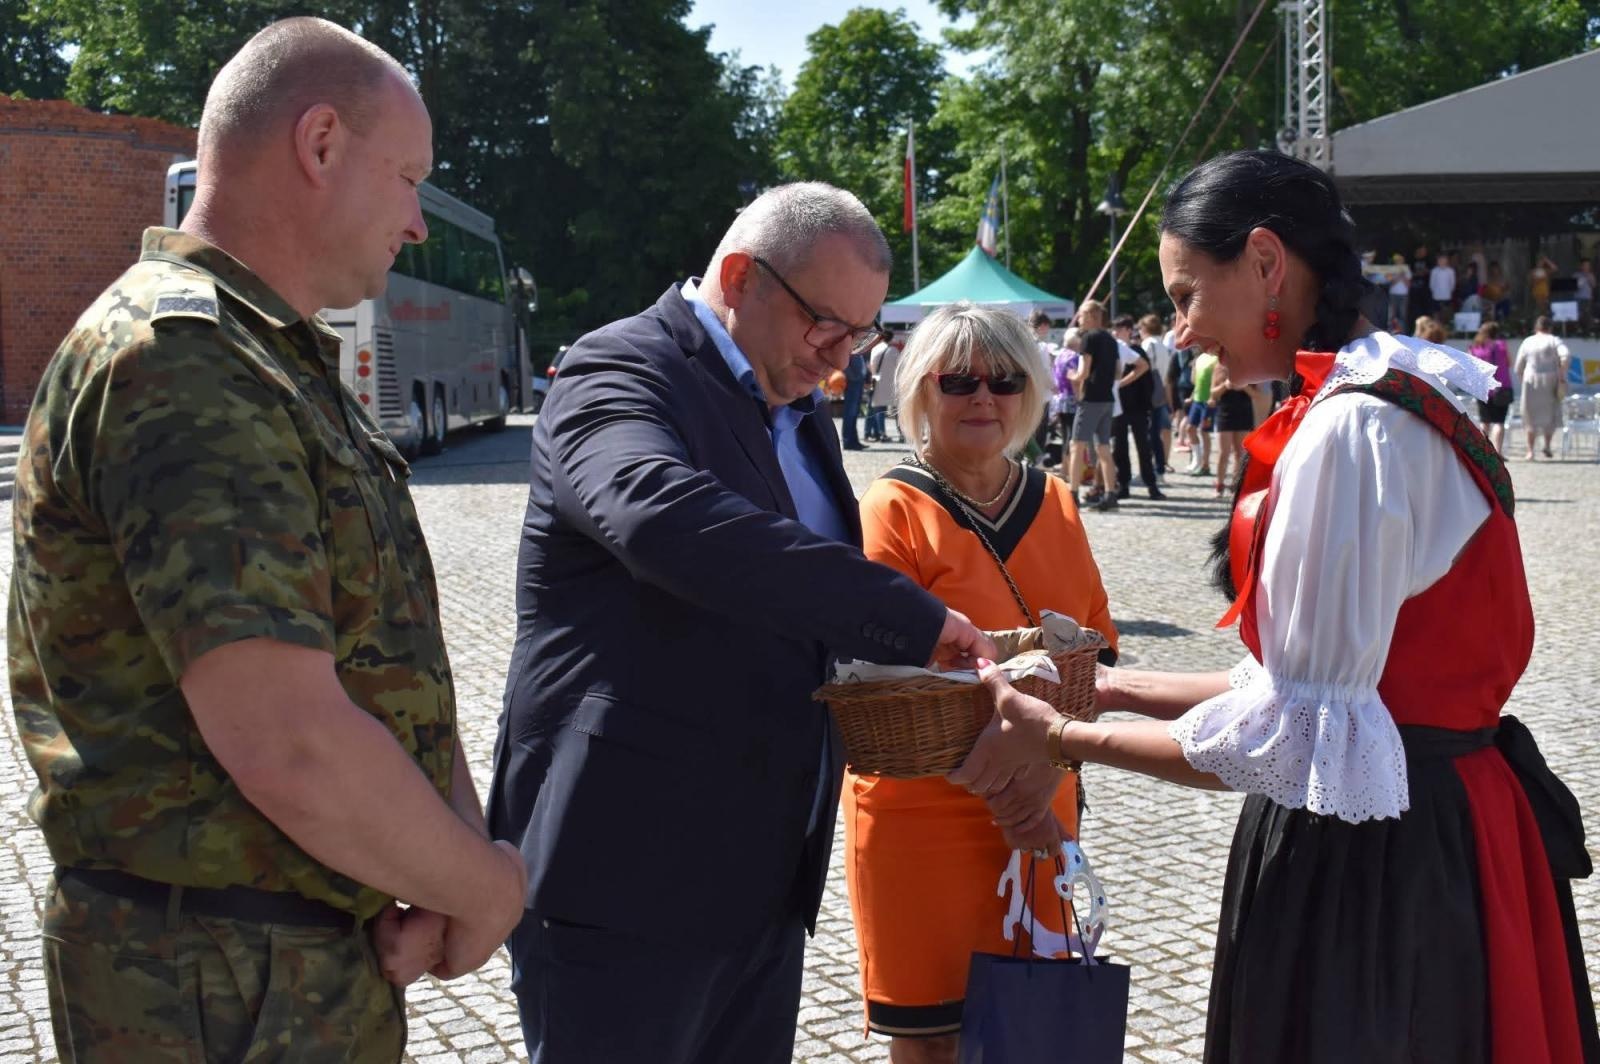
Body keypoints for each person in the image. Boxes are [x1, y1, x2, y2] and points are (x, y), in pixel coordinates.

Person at [952, 149, 1596, 1064]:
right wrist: (1108, 690)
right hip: (1448, 827)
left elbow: (1299, 739)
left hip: (1380, 864)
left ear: (1264, 263)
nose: (1179, 331)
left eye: (1184, 295)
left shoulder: (1351, 426)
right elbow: (1301, 689)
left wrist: (1054, 735)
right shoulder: (1396, 390)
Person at [7, 18, 528, 1061]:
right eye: (407, 177)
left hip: (274, 961)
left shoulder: (267, 359)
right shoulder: (184, 360)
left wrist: (443, 861)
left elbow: (381, 664)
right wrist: (487, 887)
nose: (418, 221)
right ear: (321, 142)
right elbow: (290, 740)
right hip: (207, 978)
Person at [486, 182, 996, 1064]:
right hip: (626, 878)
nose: (838, 361)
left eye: (858, 336)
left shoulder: (798, 407)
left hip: (760, 881)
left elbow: (789, 604)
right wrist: (901, 616)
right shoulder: (621, 367)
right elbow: (657, 515)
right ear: (738, 276)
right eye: (823, 327)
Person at [843, 303, 1118, 1064]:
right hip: (922, 811)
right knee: (929, 1040)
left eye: (1003, 379)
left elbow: (1097, 650)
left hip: (1042, 806)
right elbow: (886, 679)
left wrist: (1037, 780)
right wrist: (1011, 787)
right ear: (921, 389)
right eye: (958, 380)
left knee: (1028, 1034)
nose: (983, 399)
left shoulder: (1057, 501)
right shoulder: (889, 507)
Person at [1065, 300, 1122, 510]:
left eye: (1081, 315)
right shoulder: (1111, 339)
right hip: (1107, 399)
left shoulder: (1088, 338)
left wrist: (1072, 375)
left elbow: (1084, 372)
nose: (1079, 319)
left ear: (1091, 315)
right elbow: (1118, 372)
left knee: (1076, 445)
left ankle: (1073, 493)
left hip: (1090, 400)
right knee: (1104, 449)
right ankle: (1110, 494)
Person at [1110, 313, 1165, 500]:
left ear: (1127, 330)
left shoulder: (1137, 351)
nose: (1115, 333)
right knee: (1120, 447)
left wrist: (1121, 384)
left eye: (1118, 329)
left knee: (1143, 446)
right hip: (1120, 407)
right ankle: (1123, 484)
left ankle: (1151, 485)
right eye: (1114, 329)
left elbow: (1145, 374)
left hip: (1138, 407)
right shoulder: (1114, 350)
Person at [1514, 316, 1570, 460]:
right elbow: (1566, 355)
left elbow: (1518, 367)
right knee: (1550, 413)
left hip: (1530, 379)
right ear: (1549, 327)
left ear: (1536, 327)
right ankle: (1547, 446)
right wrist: (1561, 373)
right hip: (1551, 379)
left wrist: (1523, 380)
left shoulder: (1528, 341)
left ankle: (1530, 451)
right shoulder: (1554, 340)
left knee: (1529, 415)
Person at [1208, 361, 1259, 497]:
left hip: (1243, 412)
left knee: (1240, 453)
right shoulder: (1219, 367)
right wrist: (1226, 385)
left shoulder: (1247, 366)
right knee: (1223, 452)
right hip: (1225, 413)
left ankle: (1235, 485)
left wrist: (1243, 386)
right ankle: (1219, 484)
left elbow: (1255, 395)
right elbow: (1213, 394)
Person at [1470, 321, 1513, 454]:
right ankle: (1498, 452)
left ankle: (1484, 451)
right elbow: (1509, 363)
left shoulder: (1475, 347)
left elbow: (1471, 367)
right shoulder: (1501, 345)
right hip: (1502, 387)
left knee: (1485, 422)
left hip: (1482, 388)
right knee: (1499, 422)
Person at [866, 329, 903, 442]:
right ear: (891, 339)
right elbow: (900, 367)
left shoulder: (875, 349)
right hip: (892, 383)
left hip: (878, 382)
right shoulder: (894, 351)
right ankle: (901, 433)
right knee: (897, 410)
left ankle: (882, 433)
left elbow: (872, 367)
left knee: (879, 409)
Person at [842, 338, 870, 449]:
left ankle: (854, 441)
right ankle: (848, 441)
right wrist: (854, 377)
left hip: (858, 383)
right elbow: (844, 365)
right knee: (850, 413)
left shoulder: (857, 349)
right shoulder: (848, 349)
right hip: (852, 384)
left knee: (854, 414)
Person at [1429, 252, 1457, 320]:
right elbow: (1431, 284)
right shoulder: (1434, 271)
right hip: (1436, 296)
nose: (1441, 261)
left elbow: (1452, 284)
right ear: (1437, 261)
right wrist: (1435, 291)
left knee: (1446, 314)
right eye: (1440, 260)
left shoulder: (1450, 271)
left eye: (1443, 260)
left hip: (1447, 295)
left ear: (1446, 261)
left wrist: (1449, 291)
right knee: (1436, 313)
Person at [1386, 252, 1410, 329]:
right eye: (1397, 260)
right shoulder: (1391, 270)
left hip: (1404, 295)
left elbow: (1408, 285)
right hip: (1393, 294)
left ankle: (1403, 332)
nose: (1398, 261)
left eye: (1400, 260)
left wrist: (1403, 276)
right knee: (1391, 315)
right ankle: (1390, 331)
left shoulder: (1407, 269)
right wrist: (1398, 277)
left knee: (1403, 315)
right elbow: (1390, 283)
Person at [1576, 258, 1594, 332]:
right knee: (1579, 314)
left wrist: (1589, 278)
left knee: (1587, 313)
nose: (1586, 267)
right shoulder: (1576, 275)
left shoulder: (1590, 275)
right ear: (1581, 266)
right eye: (1585, 265)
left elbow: (1594, 285)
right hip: (1579, 297)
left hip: (1588, 297)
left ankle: (1587, 330)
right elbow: (1575, 286)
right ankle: (1579, 329)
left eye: (1588, 265)